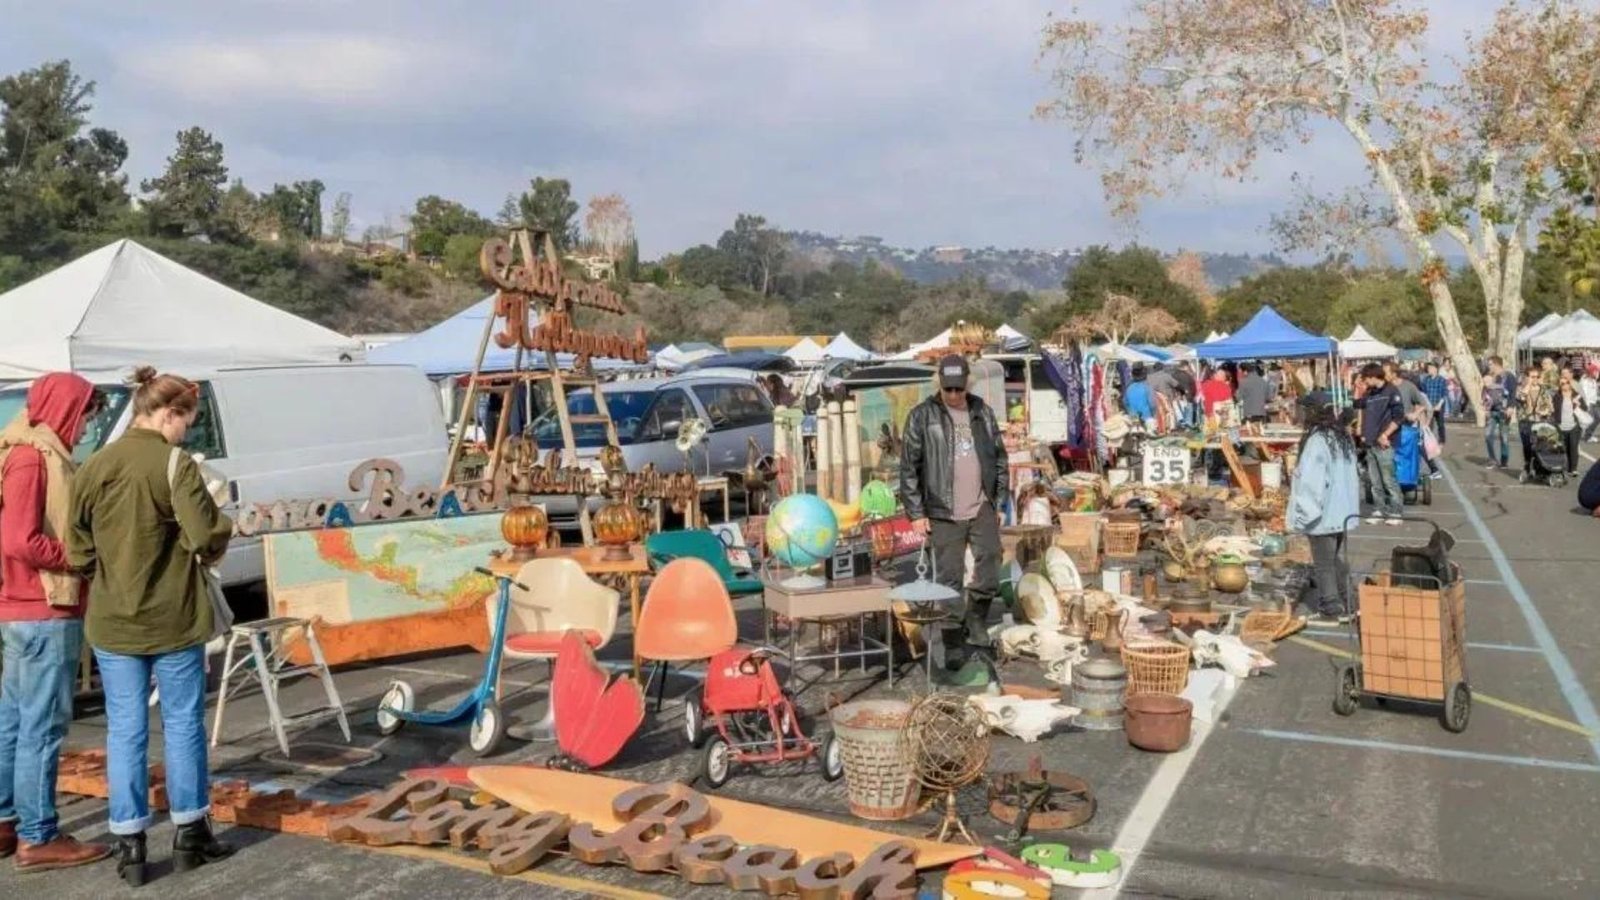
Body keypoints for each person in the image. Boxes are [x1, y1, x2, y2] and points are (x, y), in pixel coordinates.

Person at [67, 368, 235, 886]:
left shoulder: (94, 465)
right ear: (168, 414)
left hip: (113, 621)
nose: (187, 430)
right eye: (187, 420)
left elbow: (77, 549)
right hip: (174, 616)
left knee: (125, 730)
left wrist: (110, 571)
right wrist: (216, 532)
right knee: (183, 724)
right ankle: (190, 832)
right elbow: (207, 534)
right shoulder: (175, 464)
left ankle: (130, 843)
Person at [0, 374, 111, 872]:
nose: (87, 424)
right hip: (43, 607)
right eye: (87, 413)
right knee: (40, 729)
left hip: (20, 608)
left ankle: (7, 821)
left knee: (13, 723)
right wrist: (79, 558)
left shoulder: (20, 448)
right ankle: (38, 835)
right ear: (68, 409)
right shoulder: (33, 458)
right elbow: (21, 540)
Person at [898, 354, 1007, 672]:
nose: (955, 395)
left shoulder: (981, 412)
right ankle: (953, 643)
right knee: (949, 580)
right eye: (949, 389)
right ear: (940, 385)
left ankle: (975, 623)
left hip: (981, 504)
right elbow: (909, 468)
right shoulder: (922, 416)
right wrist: (916, 511)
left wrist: (998, 501)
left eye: (960, 389)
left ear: (968, 384)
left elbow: (999, 458)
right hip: (942, 509)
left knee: (989, 568)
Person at [1287, 394, 1361, 620]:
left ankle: (1331, 605)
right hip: (1342, 511)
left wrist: (1303, 516)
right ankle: (1349, 601)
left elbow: (1312, 483)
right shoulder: (1341, 437)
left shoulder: (1318, 441)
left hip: (1323, 513)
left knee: (1324, 564)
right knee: (1333, 560)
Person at [1354, 362, 1404, 525]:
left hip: (1384, 444)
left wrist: (1386, 434)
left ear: (1374, 376)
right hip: (1370, 443)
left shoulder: (1391, 391)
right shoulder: (1370, 393)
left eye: (1366, 379)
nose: (1365, 382)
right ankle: (1380, 509)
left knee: (1388, 479)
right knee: (1375, 481)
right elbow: (1357, 404)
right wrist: (1358, 390)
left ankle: (1396, 512)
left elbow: (1399, 417)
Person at [1515, 363, 1554, 479]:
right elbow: (1520, 398)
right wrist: (1527, 385)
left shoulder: (1544, 390)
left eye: (1537, 377)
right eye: (1532, 377)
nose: (1535, 379)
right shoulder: (1521, 389)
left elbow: (1550, 407)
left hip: (1540, 421)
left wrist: (1544, 412)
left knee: (1540, 446)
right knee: (1527, 446)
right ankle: (1527, 466)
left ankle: (1540, 468)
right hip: (1525, 422)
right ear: (1527, 377)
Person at [1482, 356, 1516, 469]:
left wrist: (1511, 407)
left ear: (1497, 364)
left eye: (1490, 364)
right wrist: (1485, 408)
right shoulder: (1490, 377)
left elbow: (1513, 393)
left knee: (1504, 437)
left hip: (1504, 411)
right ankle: (1492, 460)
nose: (1489, 366)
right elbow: (1485, 392)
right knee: (1488, 435)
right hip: (1492, 411)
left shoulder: (1509, 377)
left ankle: (1504, 461)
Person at [1553, 370, 1588, 477]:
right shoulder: (1557, 396)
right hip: (1561, 426)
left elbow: (1585, 408)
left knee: (1573, 447)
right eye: (1562, 383)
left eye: (1567, 383)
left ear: (1570, 383)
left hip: (1574, 426)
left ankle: (1573, 469)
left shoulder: (1576, 395)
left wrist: (1578, 404)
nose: (1565, 385)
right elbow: (1553, 410)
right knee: (1564, 448)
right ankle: (1566, 467)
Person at [1421, 362, 1449, 444]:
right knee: (1428, 424)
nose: (1429, 370)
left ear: (1436, 369)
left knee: (1440, 424)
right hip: (1429, 405)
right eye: (1428, 368)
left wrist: (1439, 405)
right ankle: (1429, 440)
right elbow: (1424, 393)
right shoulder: (1426, 380)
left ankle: (1442, 440)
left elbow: (1444, 394)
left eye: (1431, 368)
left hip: (1439, 404)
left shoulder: (1442, 380)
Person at [1579, 367, 1599, 443]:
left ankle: (1588, 435)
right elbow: (1584, 393)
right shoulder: (1585, 381)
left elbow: (1595, 393)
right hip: (1588, 403)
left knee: (1597, 418)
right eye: (1596, 372)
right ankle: (1587, 436)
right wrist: (1586, 404)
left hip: (1594, 402)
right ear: (1591, 372)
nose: (1597, 374)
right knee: (1589, 420)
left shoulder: (1593, 381)